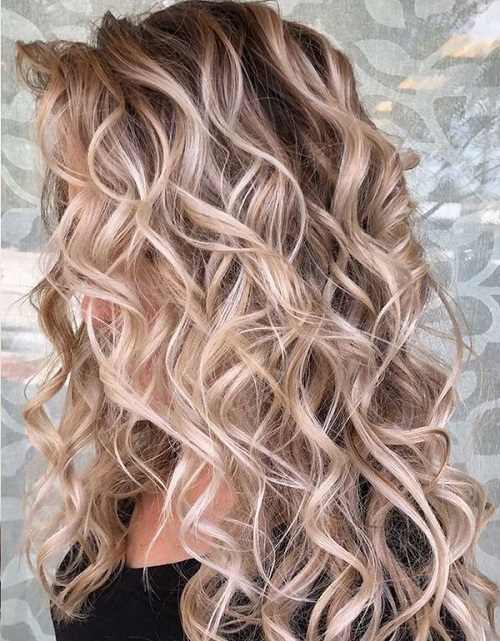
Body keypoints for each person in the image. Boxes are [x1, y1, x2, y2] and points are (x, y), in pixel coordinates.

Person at [14, 1, 499, 640]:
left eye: (135, 251)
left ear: (260, 260)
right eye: (85, 248)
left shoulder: (369, 581)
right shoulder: (146, 464)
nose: (92, 304)